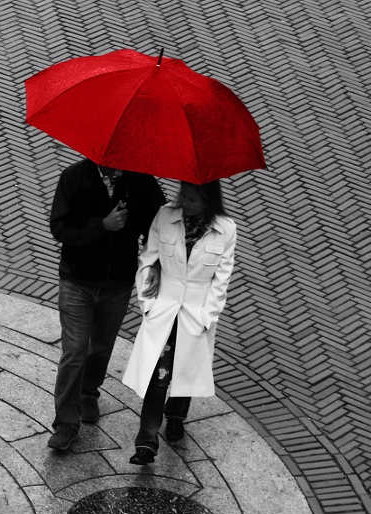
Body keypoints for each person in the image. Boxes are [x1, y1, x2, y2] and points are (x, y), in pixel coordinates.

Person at [47, 157, 166, 452]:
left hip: (117, 283)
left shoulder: (141, 182)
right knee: (74, 351)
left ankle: (89, 391)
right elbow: (60, 229)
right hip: (77, 280)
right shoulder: (73, 178)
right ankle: (65, 424)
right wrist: (102, 226)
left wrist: (154, 261)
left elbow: (158, 229)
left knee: (101, 347)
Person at [122, 180, 236, 465]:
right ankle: (146, 442)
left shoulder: (226, 229)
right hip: (163, 307)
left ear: (208, 201)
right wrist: (148, 304)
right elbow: (148, 259)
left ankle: (176, 415)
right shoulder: (165, 216)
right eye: (183, 195)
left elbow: (221, 279)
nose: (185, 202)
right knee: (157, 375)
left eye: (193, 199)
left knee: (185, 370)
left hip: (196, 312)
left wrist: (207, 317)